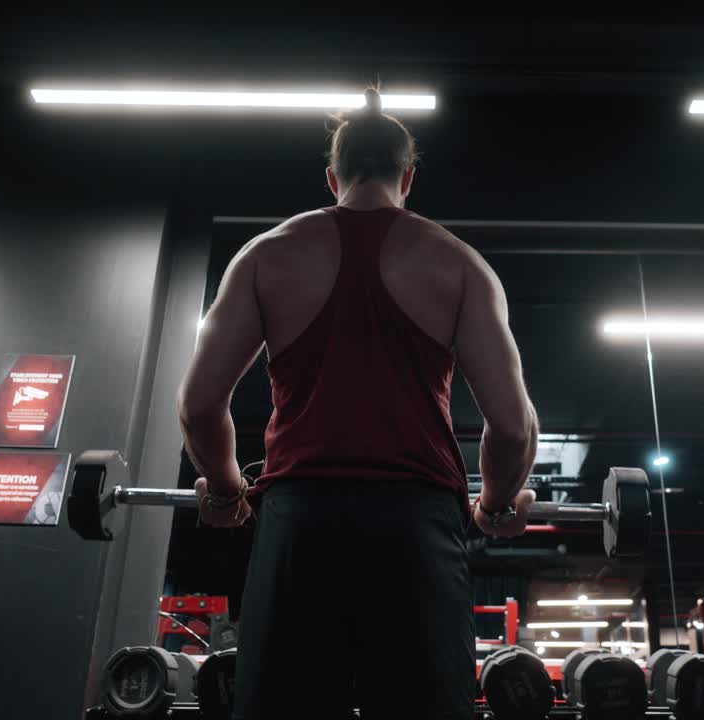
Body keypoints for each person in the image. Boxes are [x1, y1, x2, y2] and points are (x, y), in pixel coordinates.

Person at [178, 87, 539, 719]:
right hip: (415, 527)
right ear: (408, 176)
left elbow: (200, 405)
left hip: (300, 524)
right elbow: (511, 427)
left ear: (331, 177)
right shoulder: (459, 265)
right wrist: (497, 505)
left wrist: (226, 491)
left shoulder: (266, 257)